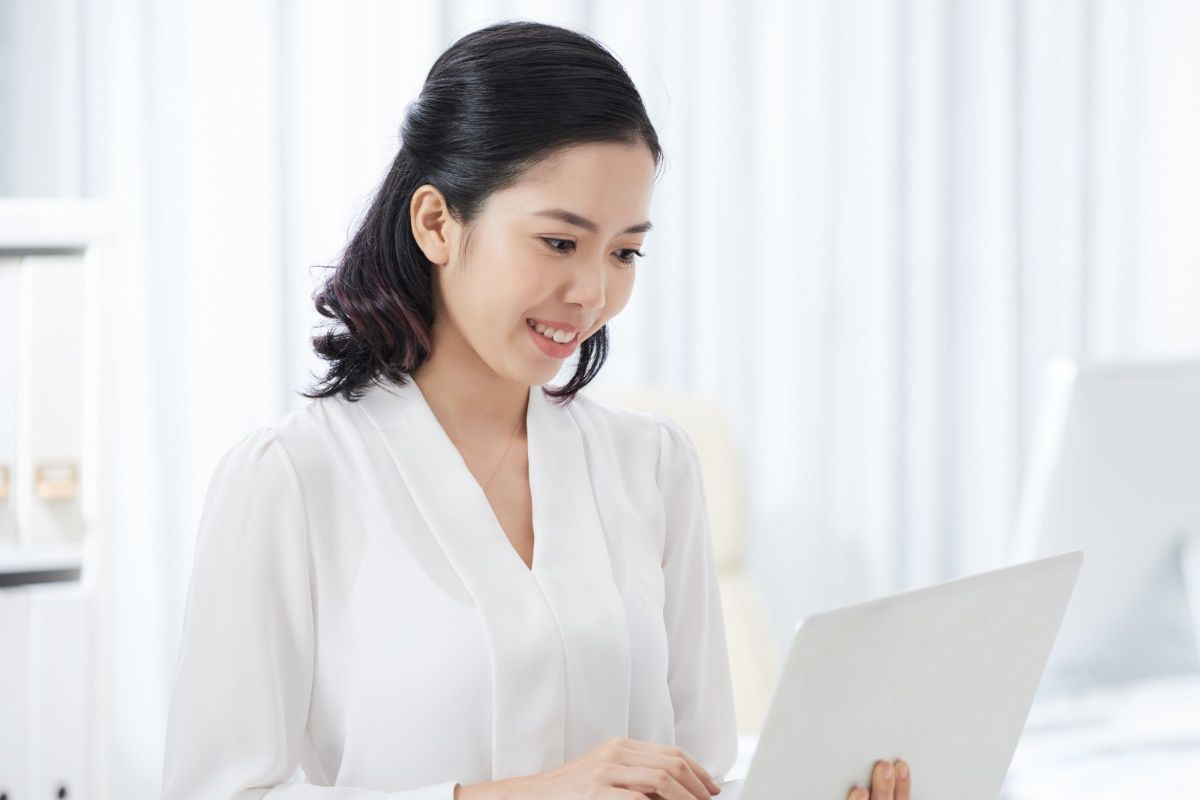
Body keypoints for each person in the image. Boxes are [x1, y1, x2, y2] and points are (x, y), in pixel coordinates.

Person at [160, 19, 910, 800]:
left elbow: (700, 771)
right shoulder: (291, 479)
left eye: (624, 252)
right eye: (559, 242)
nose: (593, 294)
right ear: (437, 223)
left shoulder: (654, 466)